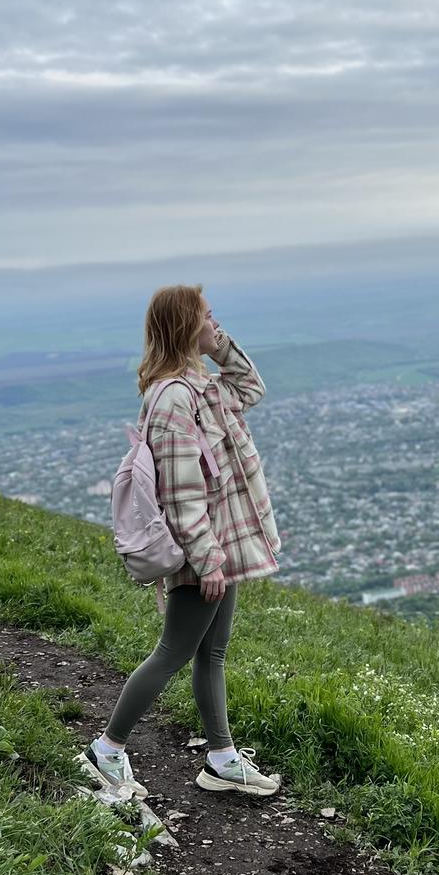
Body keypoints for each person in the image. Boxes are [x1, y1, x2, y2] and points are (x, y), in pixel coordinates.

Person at [79, 284, 283, 797]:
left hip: (222, 545)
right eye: (208, 316)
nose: (216, 322)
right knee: (173, 651)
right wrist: (208, 560)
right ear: (183, 325)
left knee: (212, 652)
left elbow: (252, 388)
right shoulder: (173, 397)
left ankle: (221, 759)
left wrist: (220, 346)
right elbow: (181, 491)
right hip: (203, 549)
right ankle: (105, 752)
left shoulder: (203, 386)